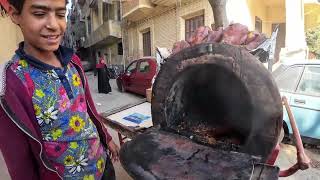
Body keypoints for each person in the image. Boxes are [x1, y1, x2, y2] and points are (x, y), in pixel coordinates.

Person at [0, 0, 119, 179]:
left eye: (61, 14)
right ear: (15, 13)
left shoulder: (73, 62)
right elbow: (19, 162)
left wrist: (107, 138)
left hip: (102, 166)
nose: (54, 25)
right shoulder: (11, 83)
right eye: (39, 14)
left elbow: (88, 110)